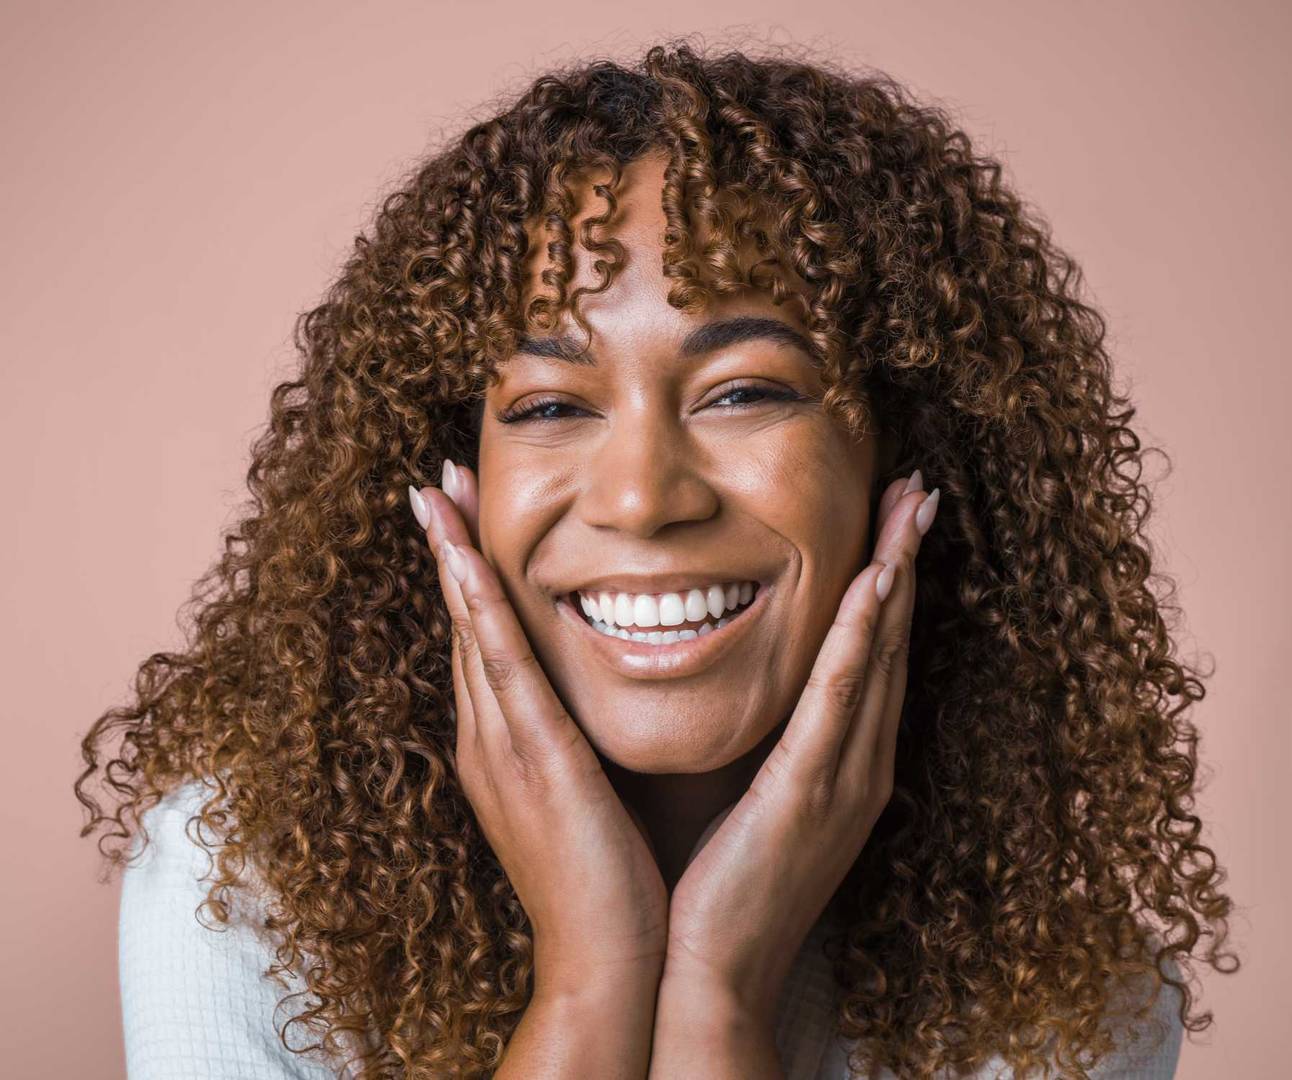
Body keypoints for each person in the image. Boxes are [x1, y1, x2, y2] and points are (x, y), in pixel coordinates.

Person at [78, 39, 1233, 1079]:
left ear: (906, 455)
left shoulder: (1072, 1005)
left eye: (742, 391)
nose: (640, 497)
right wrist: (589, 979)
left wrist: (717, 1004)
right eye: (544, 406)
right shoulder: (245, 895)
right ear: (449, 486)